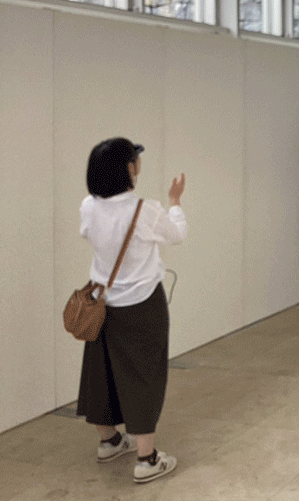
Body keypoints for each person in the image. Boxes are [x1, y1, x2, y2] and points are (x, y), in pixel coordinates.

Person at [76, 138, 187, 484]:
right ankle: (147, 459)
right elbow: (178, 234)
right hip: (142, 305)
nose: (139, 162)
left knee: (101, 371)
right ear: (128, 169)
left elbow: (87, 233)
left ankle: (109, 440)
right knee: (144, 376)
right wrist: (175, 202)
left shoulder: (88, 207)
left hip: (103, 304)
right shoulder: (145, 210)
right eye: (135, 158)